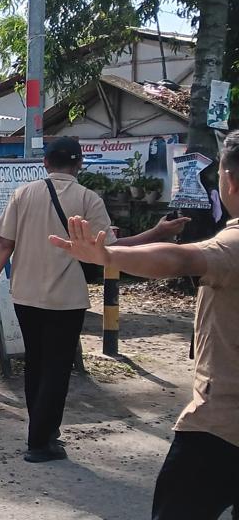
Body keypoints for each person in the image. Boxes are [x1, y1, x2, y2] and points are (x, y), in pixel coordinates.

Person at [49, 131, 236, 519]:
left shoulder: (233, 244)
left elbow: (182, 259)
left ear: (229, 180)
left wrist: (108, 256)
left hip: (222, 424)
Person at [0, 136, 190, 463]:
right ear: (79, 164)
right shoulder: (89, 199)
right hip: (66, 299)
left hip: (25, 294)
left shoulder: (23, 194)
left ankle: (42, 433)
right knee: (57, 368)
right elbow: (113, 249)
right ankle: (40, 442)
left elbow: (5, 245)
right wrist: (159, 233)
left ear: (45, 162)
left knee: (36, 363)